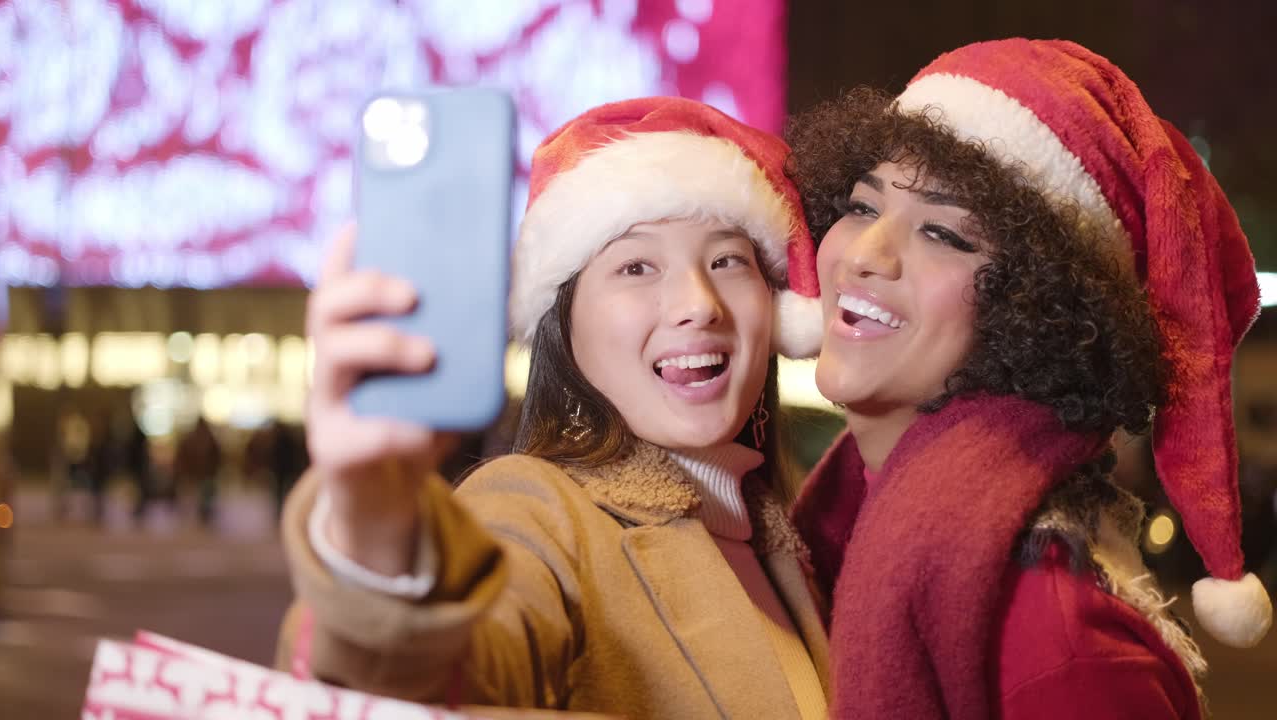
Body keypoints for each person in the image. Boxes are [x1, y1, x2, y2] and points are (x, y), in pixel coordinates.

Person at [276, 97, 830, 718]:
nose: (698, 304)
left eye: (727, 259)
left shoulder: (783, 538)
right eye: (636, 265)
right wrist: (375, 532)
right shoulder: (531, 509)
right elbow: (435, 679)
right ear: (563, 326)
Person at [784, 38, 1272, 719]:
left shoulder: (1061, 646)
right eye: (863, 207)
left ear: (1041, 309)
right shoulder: (828, 522)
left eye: (945, 235)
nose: (864, 255)